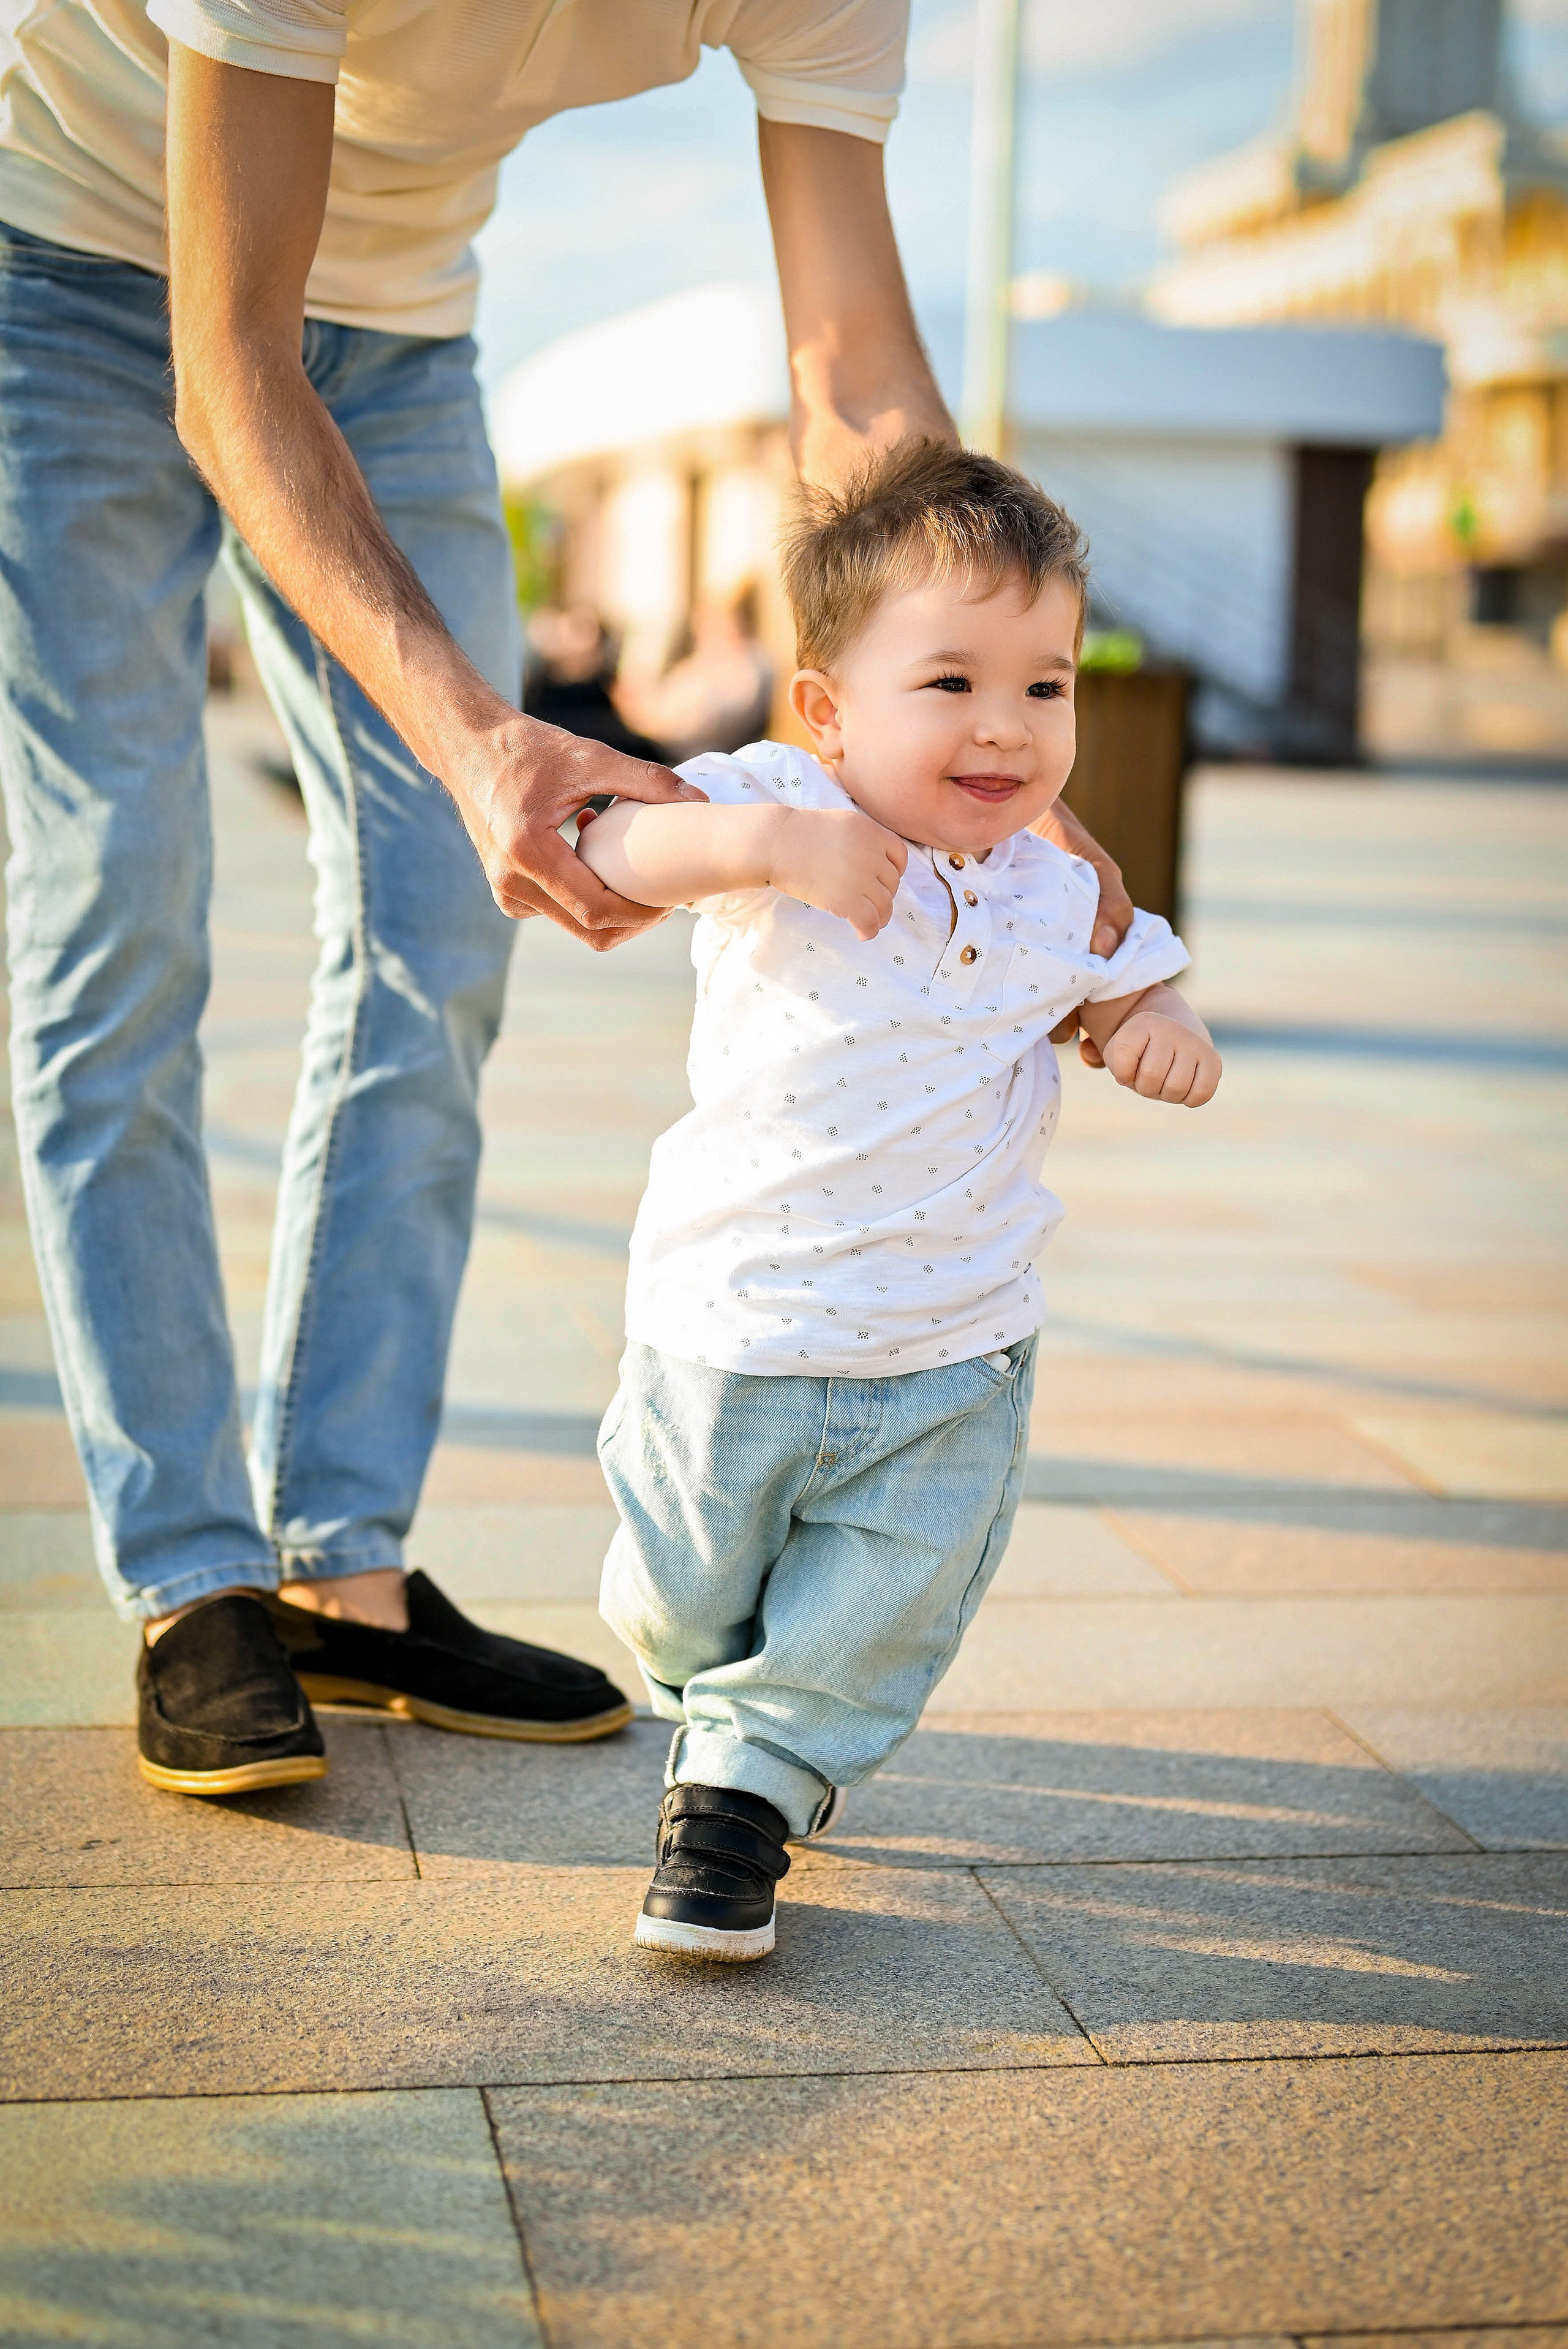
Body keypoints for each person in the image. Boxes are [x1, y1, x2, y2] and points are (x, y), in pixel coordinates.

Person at [0, 0, 1134, 1796]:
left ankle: (340, 1572)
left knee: (439, 938)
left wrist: (984, 723)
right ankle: (190, 1575)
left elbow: (858, 392)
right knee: (115, 917)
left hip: (398, 325)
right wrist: (474, 741)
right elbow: (227, 369)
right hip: (60, 264)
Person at [576, 441, 1223, 1960]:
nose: (1004, 729)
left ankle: (740, 1799)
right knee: (675, 1612)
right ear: (826, 708)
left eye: (1044, 687)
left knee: (870, 1615)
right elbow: (616, 843)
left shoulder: (1055, 882)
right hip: (727, 1328)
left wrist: (1155, 1025)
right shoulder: (774, 807)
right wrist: (767, 844)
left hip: (950, 1349)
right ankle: (704, 1688)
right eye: (948, 686)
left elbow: (1137, 969)